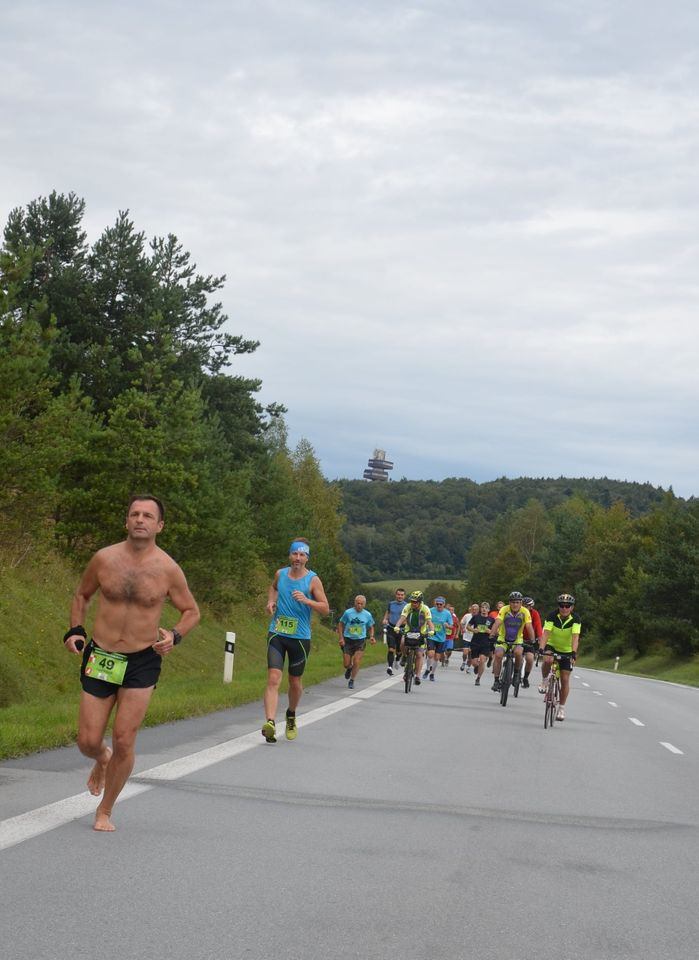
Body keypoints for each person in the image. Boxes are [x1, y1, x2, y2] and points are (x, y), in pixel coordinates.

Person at [63, 495, 200, 832]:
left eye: (148, 516)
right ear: (126, 521)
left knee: (124, 738)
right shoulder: (104, 558)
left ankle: (105, 810)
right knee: (87, 741)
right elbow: (82, 595)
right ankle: (102, 758)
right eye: (134, 514)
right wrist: (75, 630)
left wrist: (175, 636)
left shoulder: (168, 569)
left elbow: (191, 611)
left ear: (159, 525)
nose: (140, 519)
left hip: (142, 659)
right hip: (102, 654)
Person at [263, 538, 330, 742]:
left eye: (302, 555)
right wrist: (271, 601)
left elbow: (325, 609)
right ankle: (270, 722)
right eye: (295, 554)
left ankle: (291, 714)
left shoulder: (313, 580)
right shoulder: (280, 574)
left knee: (294, 682)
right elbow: (273, 588)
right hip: (277, 633)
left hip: (299, 638)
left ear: (307, 558)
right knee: (273, 678)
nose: (297, 558)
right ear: (289, 555)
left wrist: (307, 600)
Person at [539, 593, 581, 721]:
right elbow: (546, 633)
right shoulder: (552, 615)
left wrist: (573, 653)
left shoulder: (576, 619)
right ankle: (545, 681)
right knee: (547, 660)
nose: (564, 608)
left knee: (565, 678)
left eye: (567, 606)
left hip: (567, 650)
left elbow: (575, 637)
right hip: (552, 646)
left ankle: (561, 708)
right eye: (561, 605)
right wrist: (541, 648)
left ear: (572, 607)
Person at [488, 591, 533, 692]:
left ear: (521, 603)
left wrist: (532, 640)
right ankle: (496, 680)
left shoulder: (525, 611)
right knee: (498, 655)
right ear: (509, 602)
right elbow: (497, 622)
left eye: (517, 602)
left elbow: (529, 626)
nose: (515, 604)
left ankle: (516, 673)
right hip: (503, 638)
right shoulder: (504, 609)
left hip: (517, 639)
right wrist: (492, 635)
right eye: (513, 602)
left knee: (518, 653)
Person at [394, 590, 434, 686]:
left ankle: (417, 676)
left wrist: (432, 630)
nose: (413, 603)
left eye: (415, 602)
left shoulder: (425, 609)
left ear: (420, 602)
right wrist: (397, 626)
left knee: (419, 654)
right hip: (409, 631)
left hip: (421, 633)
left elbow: (429, 622)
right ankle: (404, 656)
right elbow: (402, 618)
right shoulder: (408, 607)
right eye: (412, 601)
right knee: (402, 642)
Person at [338, 595, 376, 689]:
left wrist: (371, 637)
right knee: (346, 664)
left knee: (356, 660)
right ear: (354, 603)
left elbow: (371, 627)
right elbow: (341, 624)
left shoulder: (367, 614)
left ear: (364, 605)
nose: (359, 605)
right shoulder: (348, 613)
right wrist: (341, 638)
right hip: (348, 639)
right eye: (358, 603)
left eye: (361, 604)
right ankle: (349, 668)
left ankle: (352, 680)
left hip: (360, 640)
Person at [424, 596, 452, 680]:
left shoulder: (447, 613)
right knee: (430, 654)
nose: (439, 605)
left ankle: (432, 674)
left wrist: (447, 625)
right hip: (431, 636)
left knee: (437, 657)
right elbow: (425, 620)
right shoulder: (430, 610)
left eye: (440, 604)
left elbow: (451, 625)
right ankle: (427, 669)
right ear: (435, 604)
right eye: (437, 604)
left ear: (444, 604)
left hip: (441, 638)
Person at [468, 602, 495, 685]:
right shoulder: (476, 617)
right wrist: (473, 630)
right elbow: (468, 626)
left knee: (482, 660)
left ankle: (478, 678)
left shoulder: (491, 620)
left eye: (486, 608)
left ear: (488, 610)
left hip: (486, 643)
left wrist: (490, 631)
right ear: (480, 609)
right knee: (474, 663)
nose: (484, 609)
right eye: (483, 607)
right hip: (475, 642)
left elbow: (496, 631)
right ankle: (476, 666)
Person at [382, 587, 406, 675]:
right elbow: (387, 613)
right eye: (398, 594)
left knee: (399, 650)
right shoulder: (391, 604)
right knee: (391, 649)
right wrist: (385, 619)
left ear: (404, 596)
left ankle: (398, 658)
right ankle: (390, 667)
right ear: (396, 595)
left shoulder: (407, 606)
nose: (400, 596)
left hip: (401, 630)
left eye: (402, 595)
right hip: (391, 628)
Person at [521, 597, 543, 688]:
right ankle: (512, 672)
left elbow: (538, 626)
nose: (525, 607)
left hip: (529, 640)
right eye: (524, 605)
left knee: (530, 659)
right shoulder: (518, 612)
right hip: (517, 638)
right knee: (516, 656)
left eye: (527, 606)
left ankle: (525, 678)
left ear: (531, 607)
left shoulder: (535, 613)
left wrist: (540, 639)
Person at [460, 603, 479, 672]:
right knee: (465, 653)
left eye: (475, 609)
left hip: (474, 639)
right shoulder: (467, 616)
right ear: (471, 610)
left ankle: (468, 667)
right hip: (466, 637)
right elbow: (462, 623)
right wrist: (463, 629)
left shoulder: (479, 617)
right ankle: (463, 662)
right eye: (473, 609)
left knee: (470, 654)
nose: (474, 611)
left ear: (478, 610)